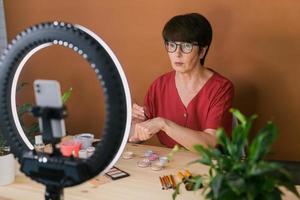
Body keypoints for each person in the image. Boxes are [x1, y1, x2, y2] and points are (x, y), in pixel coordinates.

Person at [129, 13, 234, 151]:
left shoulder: (221, 88)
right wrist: (134, 124)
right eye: (172, 45)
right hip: (170, 165)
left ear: (202, 51)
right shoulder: (159, 86)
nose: (177, 53)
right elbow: (133, 138)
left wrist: (163, 124)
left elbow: (210, 145)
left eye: (186, 46)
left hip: (209, 166)